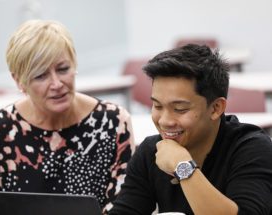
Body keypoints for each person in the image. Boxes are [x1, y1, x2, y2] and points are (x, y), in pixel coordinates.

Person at [0, 19, 135, 215]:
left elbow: (124, 206)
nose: (56, 83)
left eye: (63, 69)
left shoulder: (114, 121)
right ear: (18, 80)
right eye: (41, 75)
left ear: (74, 65)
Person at [109, 44, 272, 215]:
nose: (165, 121)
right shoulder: (151, 152)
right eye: (157, 106)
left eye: (180, 109)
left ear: (216, 108)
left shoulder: (252, 149)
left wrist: (183, 166)